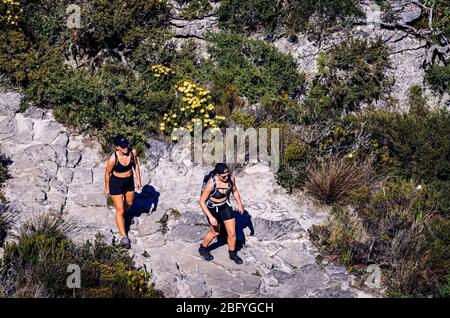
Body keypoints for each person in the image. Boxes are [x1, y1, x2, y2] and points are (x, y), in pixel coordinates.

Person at [198, 163, 245, 264]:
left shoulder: (231, 179)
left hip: (225, 206)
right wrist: (210, 217)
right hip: (212, 209)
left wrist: (240, 204)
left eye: (228, 174)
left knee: (232, 233)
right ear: (217, 174)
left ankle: (232, 253)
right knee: (215, 232)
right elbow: (202, 201)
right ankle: (202, 248)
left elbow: (235, 191)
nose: (226, 177)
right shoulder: (211, 184)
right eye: (224, 176)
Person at [104, 135, 142, 249]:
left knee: (129, 204)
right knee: (120, 209)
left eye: (127, 145)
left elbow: (135, 164)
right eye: (123, 146)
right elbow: (107, 173)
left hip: (129, 181)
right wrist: (107, 188)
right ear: (117, 147)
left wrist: (138, 179)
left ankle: (120, 216)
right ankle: (123, 236)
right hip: (116, 183)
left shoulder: (132, 152)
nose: (126, 147)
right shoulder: (113, 159)